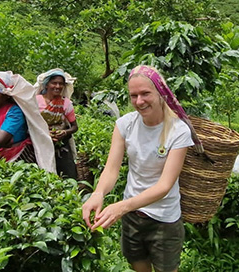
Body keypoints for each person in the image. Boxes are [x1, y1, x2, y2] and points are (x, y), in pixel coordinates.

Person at [82, 65, 200, 272]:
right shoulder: (124, 125)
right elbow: (111, 169)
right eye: (133, 95)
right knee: (139, 266)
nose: (139, 101)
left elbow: (164, 186)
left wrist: (122, 206)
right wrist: (98, 193)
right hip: (133, 217)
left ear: (160, 92)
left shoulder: (178, 131)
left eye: (145, 93)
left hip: (164, 219)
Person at [35, 68, 78, 179]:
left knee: (67, 174)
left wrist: (64, 132)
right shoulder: (35, 101)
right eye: (54, 83)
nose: (58, 86)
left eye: (61, 84)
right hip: (39, 143)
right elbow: (30, 124)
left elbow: (74, 127)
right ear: (46, 84)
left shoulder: (66, 103)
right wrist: (45, 133)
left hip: (61, 145)